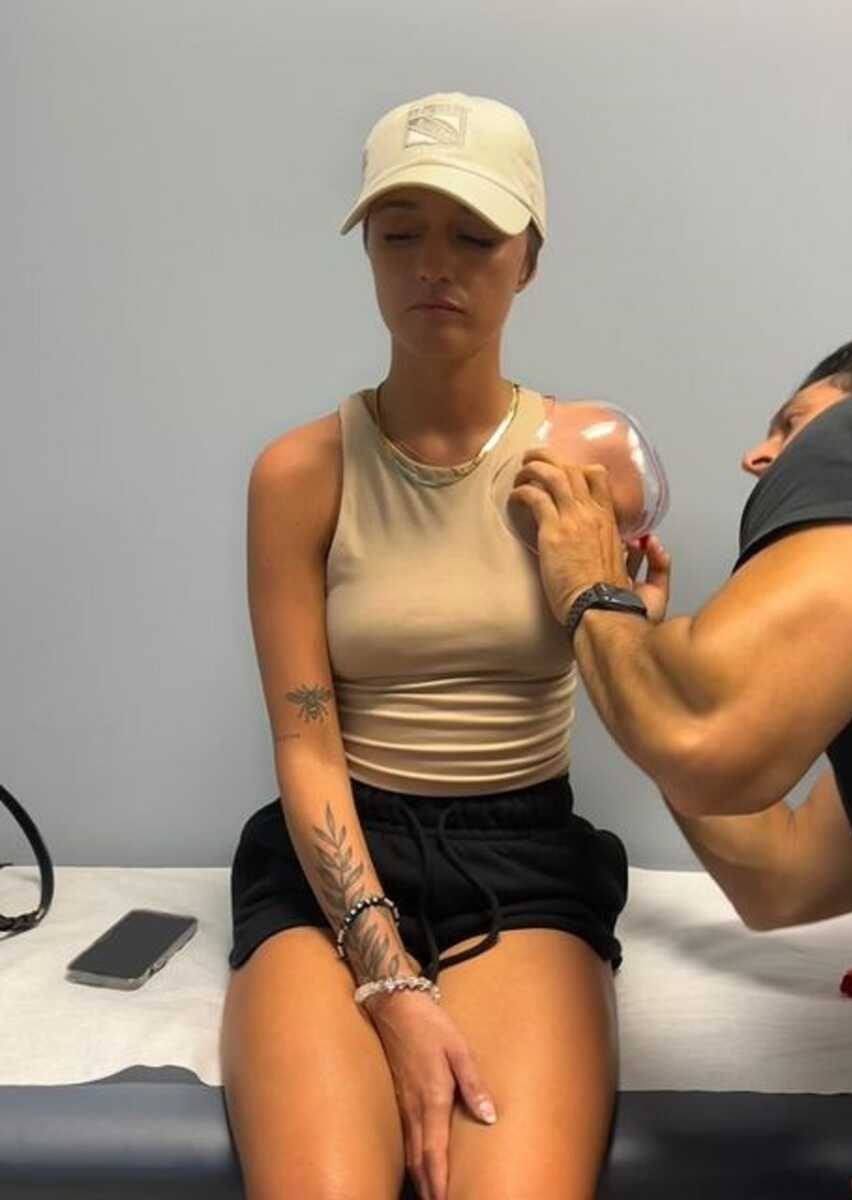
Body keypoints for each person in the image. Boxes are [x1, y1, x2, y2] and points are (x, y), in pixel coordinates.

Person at [219, 92, 632, 1200]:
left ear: (529, 259)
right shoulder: (299, 475)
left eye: (474, 236)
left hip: (523, 861)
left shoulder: (597, 458)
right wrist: (386, 977)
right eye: (399, 233)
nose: (432, 265)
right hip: (336, 860)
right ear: (367, 251)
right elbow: (305, 743)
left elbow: (657, 699)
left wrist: (625, 616)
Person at [509, 335, 852, 1198]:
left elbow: (707, 737)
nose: (757, 455)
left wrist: (590, 595)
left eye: (793, 422)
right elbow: (785, 877)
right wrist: (633, 653)